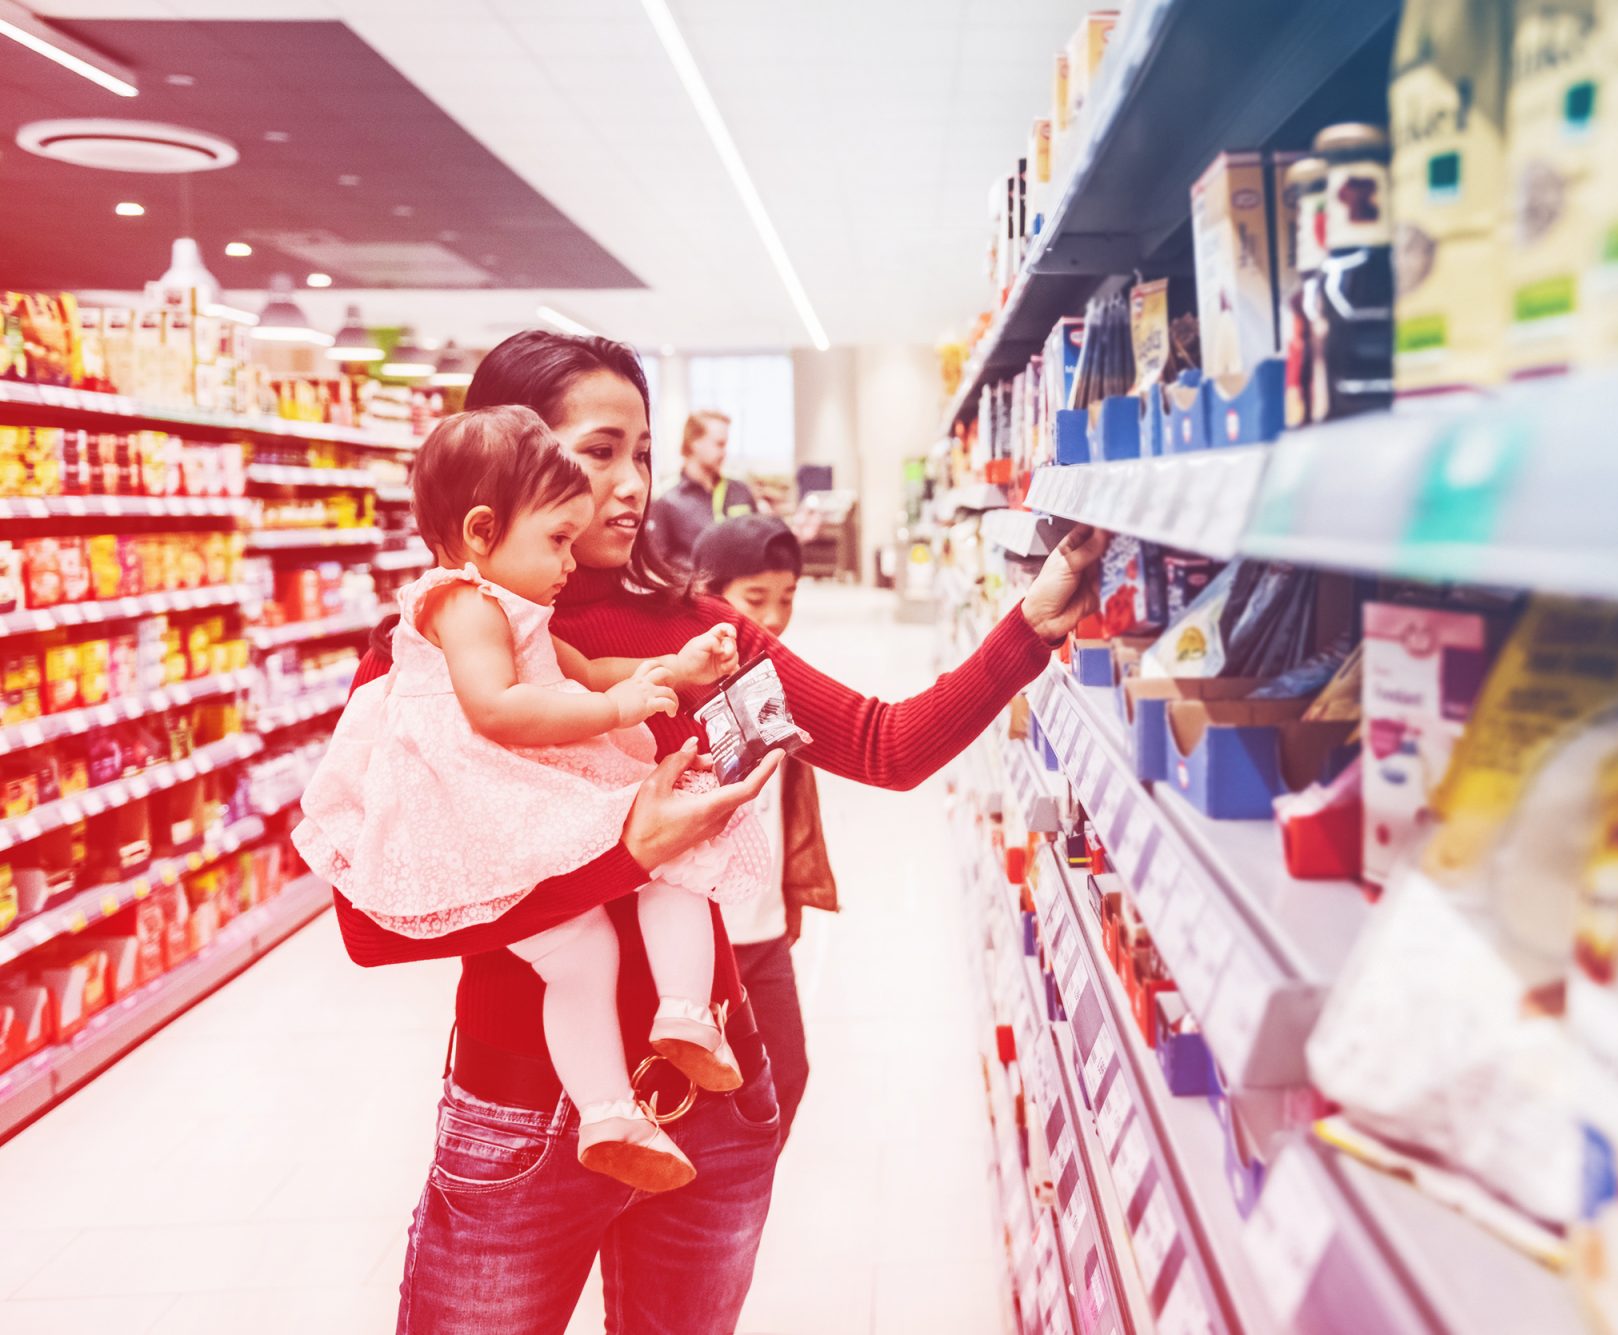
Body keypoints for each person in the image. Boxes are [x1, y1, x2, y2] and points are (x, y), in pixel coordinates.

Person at [335, 329, 1106, 1335]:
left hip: (715, 1106)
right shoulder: (436, 651)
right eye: (597, 450)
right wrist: (628, 854)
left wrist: (1034, 622)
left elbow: (887, 745)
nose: (628, 484)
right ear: (508, 457)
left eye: (641, 452)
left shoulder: (699, 635)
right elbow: (372, 924)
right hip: (524, 1115)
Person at [296, 406, 770, 1194]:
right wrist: (623, 712)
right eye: (556, 539)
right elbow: (498, 709)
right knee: (660, 859)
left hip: (512, 806)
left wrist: (674, 669)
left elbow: (583, 673)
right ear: (482, 531)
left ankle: (622, 1095)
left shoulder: (516, 607)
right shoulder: (463, 603)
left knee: (587, 950)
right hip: (483, 810)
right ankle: (667, 1032)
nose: (568, 561)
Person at [688, 514, 832, 1147]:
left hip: (763, 927)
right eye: (755, 600)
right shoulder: (681, 685)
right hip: (701, 934)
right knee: (710, 1087)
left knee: (787, 1072)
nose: (773, 619)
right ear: (707, 593)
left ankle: (735, 1195)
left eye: (788, 598)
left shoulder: (777, 680)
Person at [649, 408, 756, 564]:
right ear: (694, 443)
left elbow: (758, 546)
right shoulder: (665, 499)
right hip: (694, 586)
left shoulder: (740, 491)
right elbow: (657, 563)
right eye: (720, 444)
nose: (724, 452)